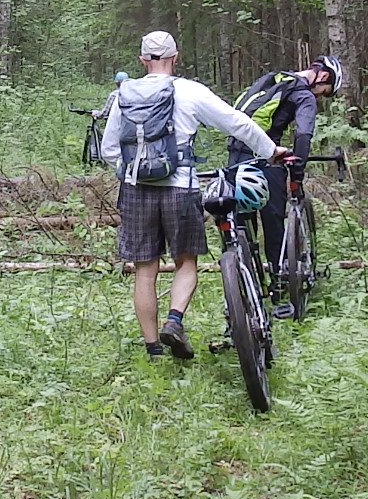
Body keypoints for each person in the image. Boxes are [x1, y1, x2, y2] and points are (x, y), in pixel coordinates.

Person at [99, 31, 280, 359]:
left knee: (144, 269)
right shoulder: (190, 91)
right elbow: (237, 123)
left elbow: (109, 149)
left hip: (135, 189)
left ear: (142, 60)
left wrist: (131, 173)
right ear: (175, 56)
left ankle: (153, 350)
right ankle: (174, 320)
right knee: (185, 261)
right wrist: (271, 150)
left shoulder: (125, 93)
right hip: (180, 187)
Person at [232, 55, 341, 317]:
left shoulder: (273, 79)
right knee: (273, 219)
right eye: (326, 91)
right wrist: (298, 170)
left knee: (241, 223)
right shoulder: (304, 94)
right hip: (266, 156)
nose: (322, 96)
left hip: (235, 153)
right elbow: (303, 133)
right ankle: (279, 283)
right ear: (323, 76)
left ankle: (241, 288)